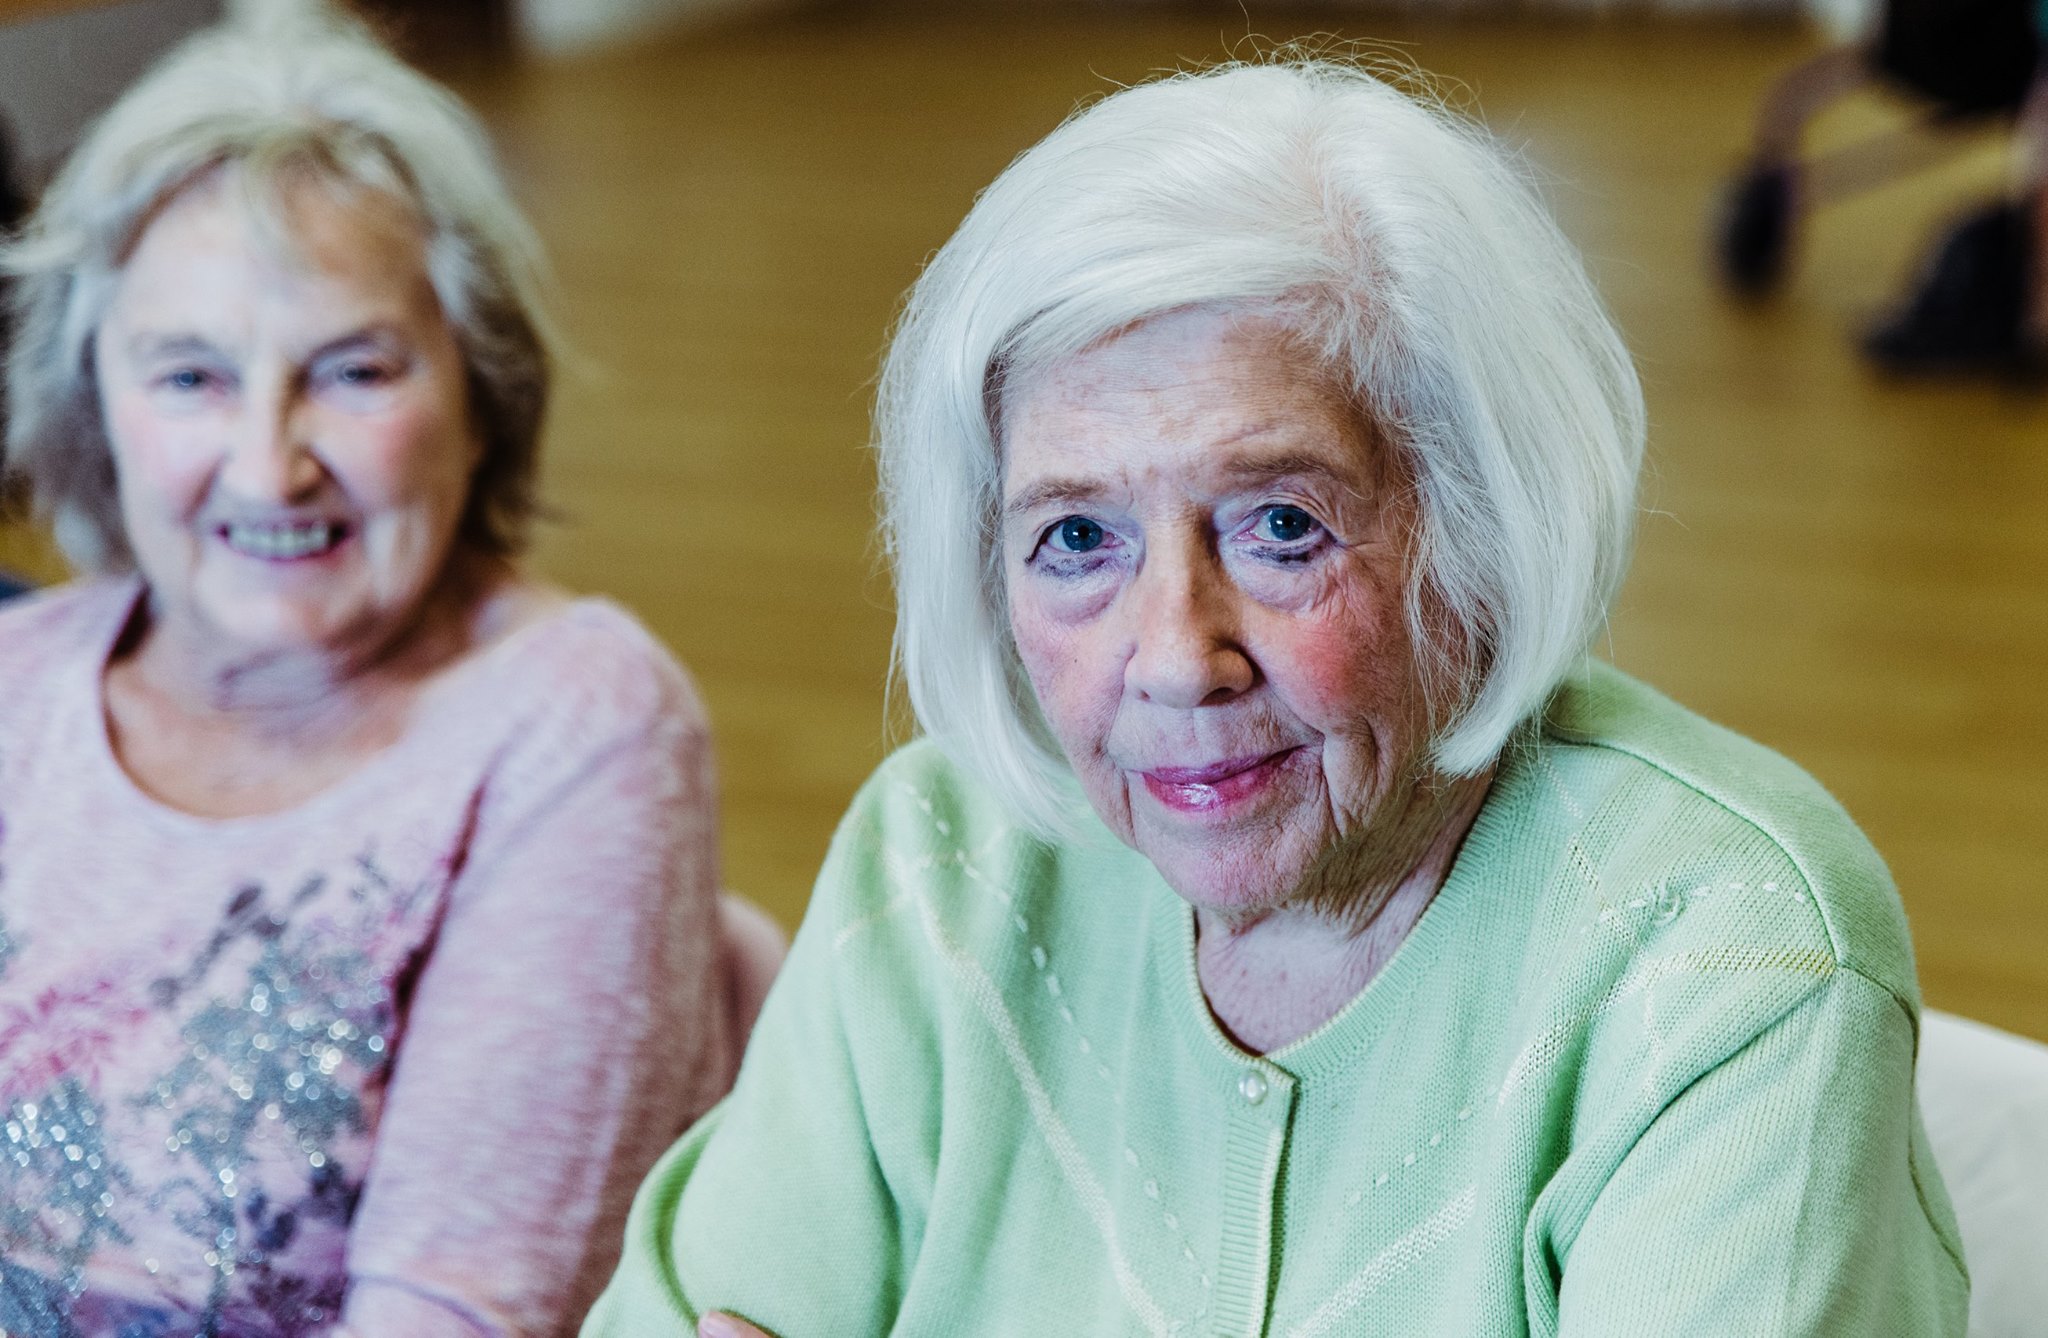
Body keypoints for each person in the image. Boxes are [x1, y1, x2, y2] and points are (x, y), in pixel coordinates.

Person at [586, 58, 1970, 1337]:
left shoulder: (1728, 968)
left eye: (1281, 526)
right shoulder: (944, 863)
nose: (1178, 656)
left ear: (1480, 525)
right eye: (1078, 538)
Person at [0, 11, 736, 1334]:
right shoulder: (20, 681)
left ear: (479, 393)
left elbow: (461, 1313)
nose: (270, 463)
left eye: (352, 370)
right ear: (91, 398)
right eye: (191, 376)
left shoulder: (573, 726)